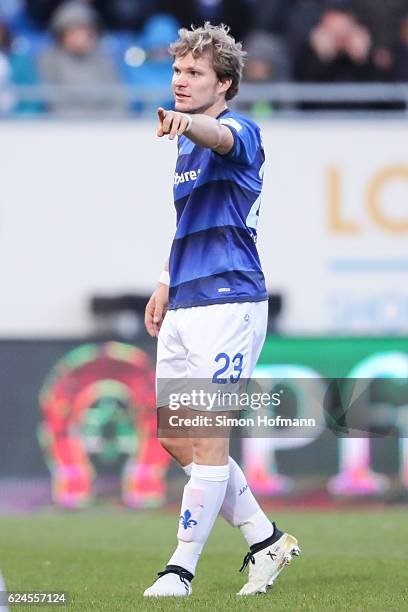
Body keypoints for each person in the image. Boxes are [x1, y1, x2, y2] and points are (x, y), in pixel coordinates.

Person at [143, 22, 300, 598]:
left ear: (225, 83)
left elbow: (222, 138)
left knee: (207, 437)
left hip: (230, 303)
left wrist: (193, 123)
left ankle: (179, 569)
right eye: (178, 71)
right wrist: (164, 280)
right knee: (176, 437)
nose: (181, 81)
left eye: (195, 73)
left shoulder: (239, 130)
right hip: (185, 301)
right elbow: (188, 224)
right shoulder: (185, 142)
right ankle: (266, 540)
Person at [38, 1, 126, 114]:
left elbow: (118, 99)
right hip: (62, 126)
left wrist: (104, 123)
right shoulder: (48, 61)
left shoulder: (105, 61)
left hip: (104, 126)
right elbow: (48, 100)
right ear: (61, 34)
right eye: (73, 32)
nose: (79, 37)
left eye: (83, 31)